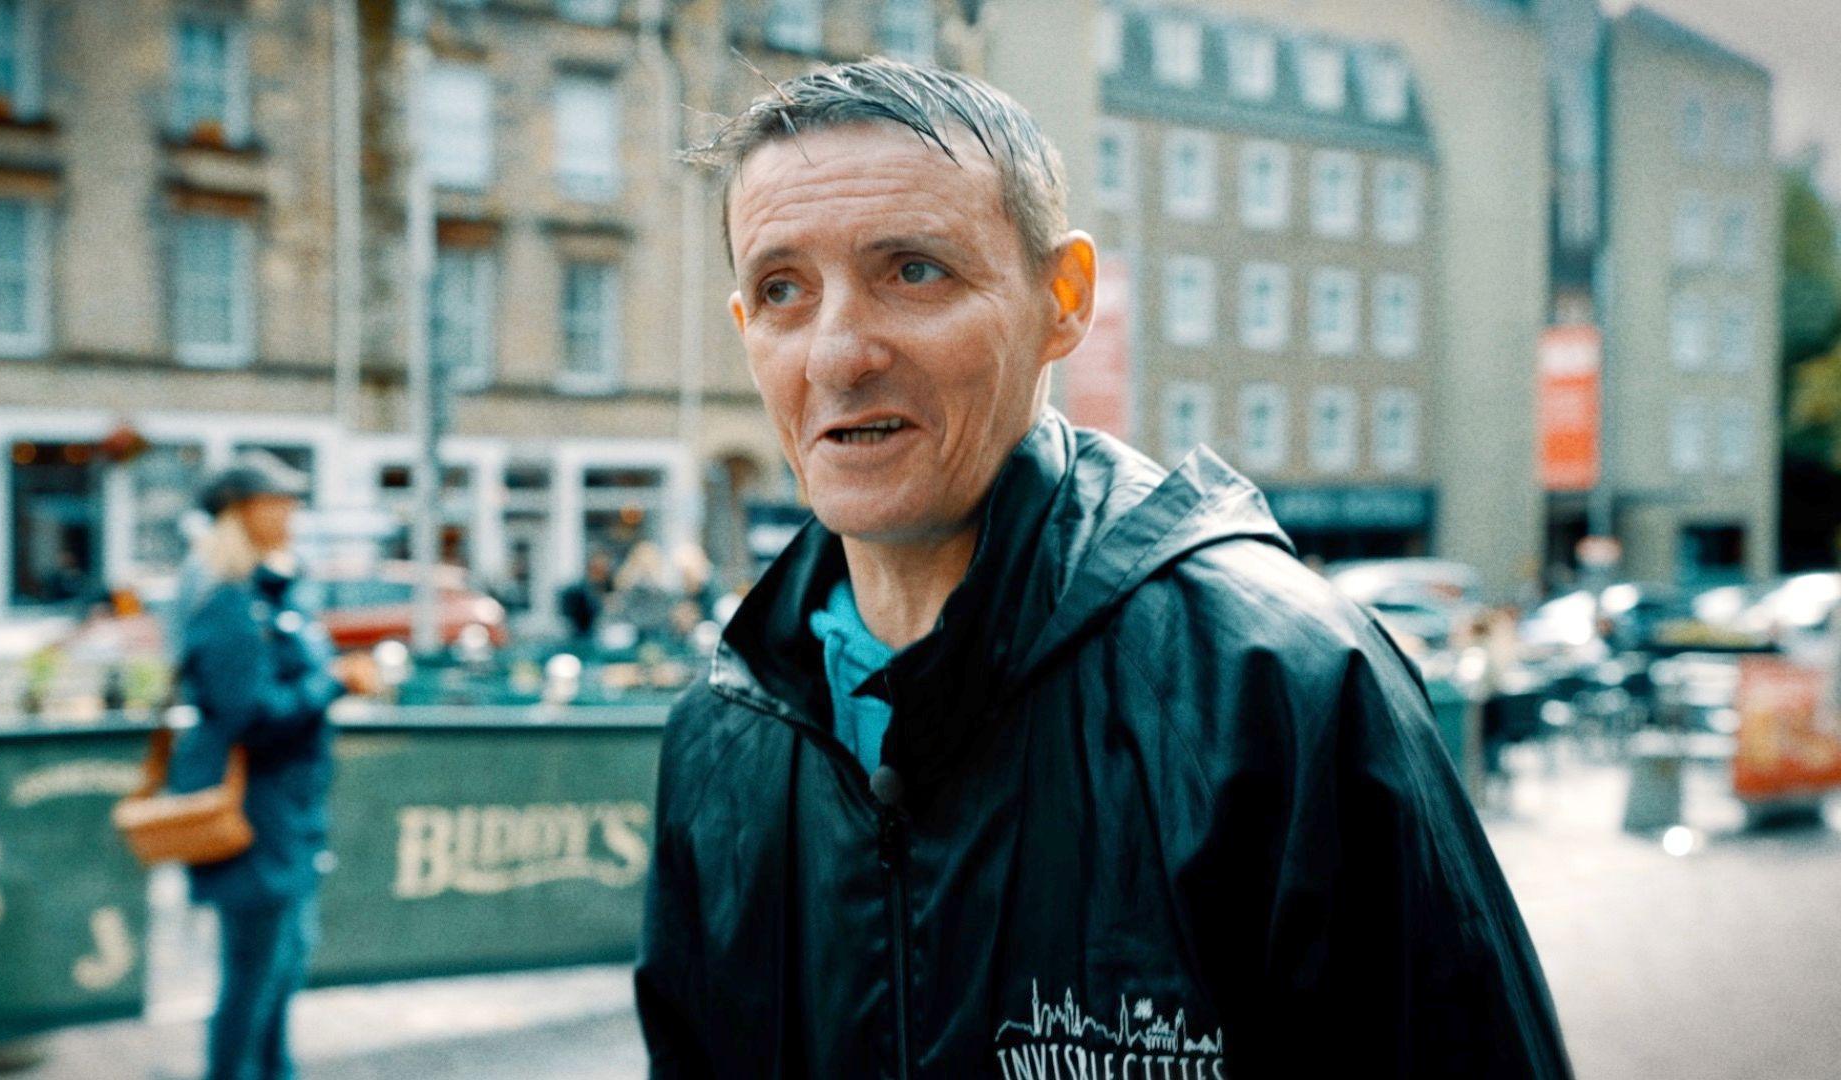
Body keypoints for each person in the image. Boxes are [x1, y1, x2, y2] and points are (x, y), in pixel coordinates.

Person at [634, 60, 1572, 1078]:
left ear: (1062, 300)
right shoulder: (722, 736)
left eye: (913, 270)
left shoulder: (1281, 688)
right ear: (744, 333)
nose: (837, 353)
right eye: (783, 290)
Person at [171, 452, 379, 1080]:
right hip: (254, 812)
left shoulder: (265, 591)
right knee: (255, 972)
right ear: (243, 511)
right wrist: (333, 683)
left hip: (288, 809)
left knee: (283, 964)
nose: (291, 511)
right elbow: (249, 714)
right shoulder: (226, 602)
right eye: (278, 501)